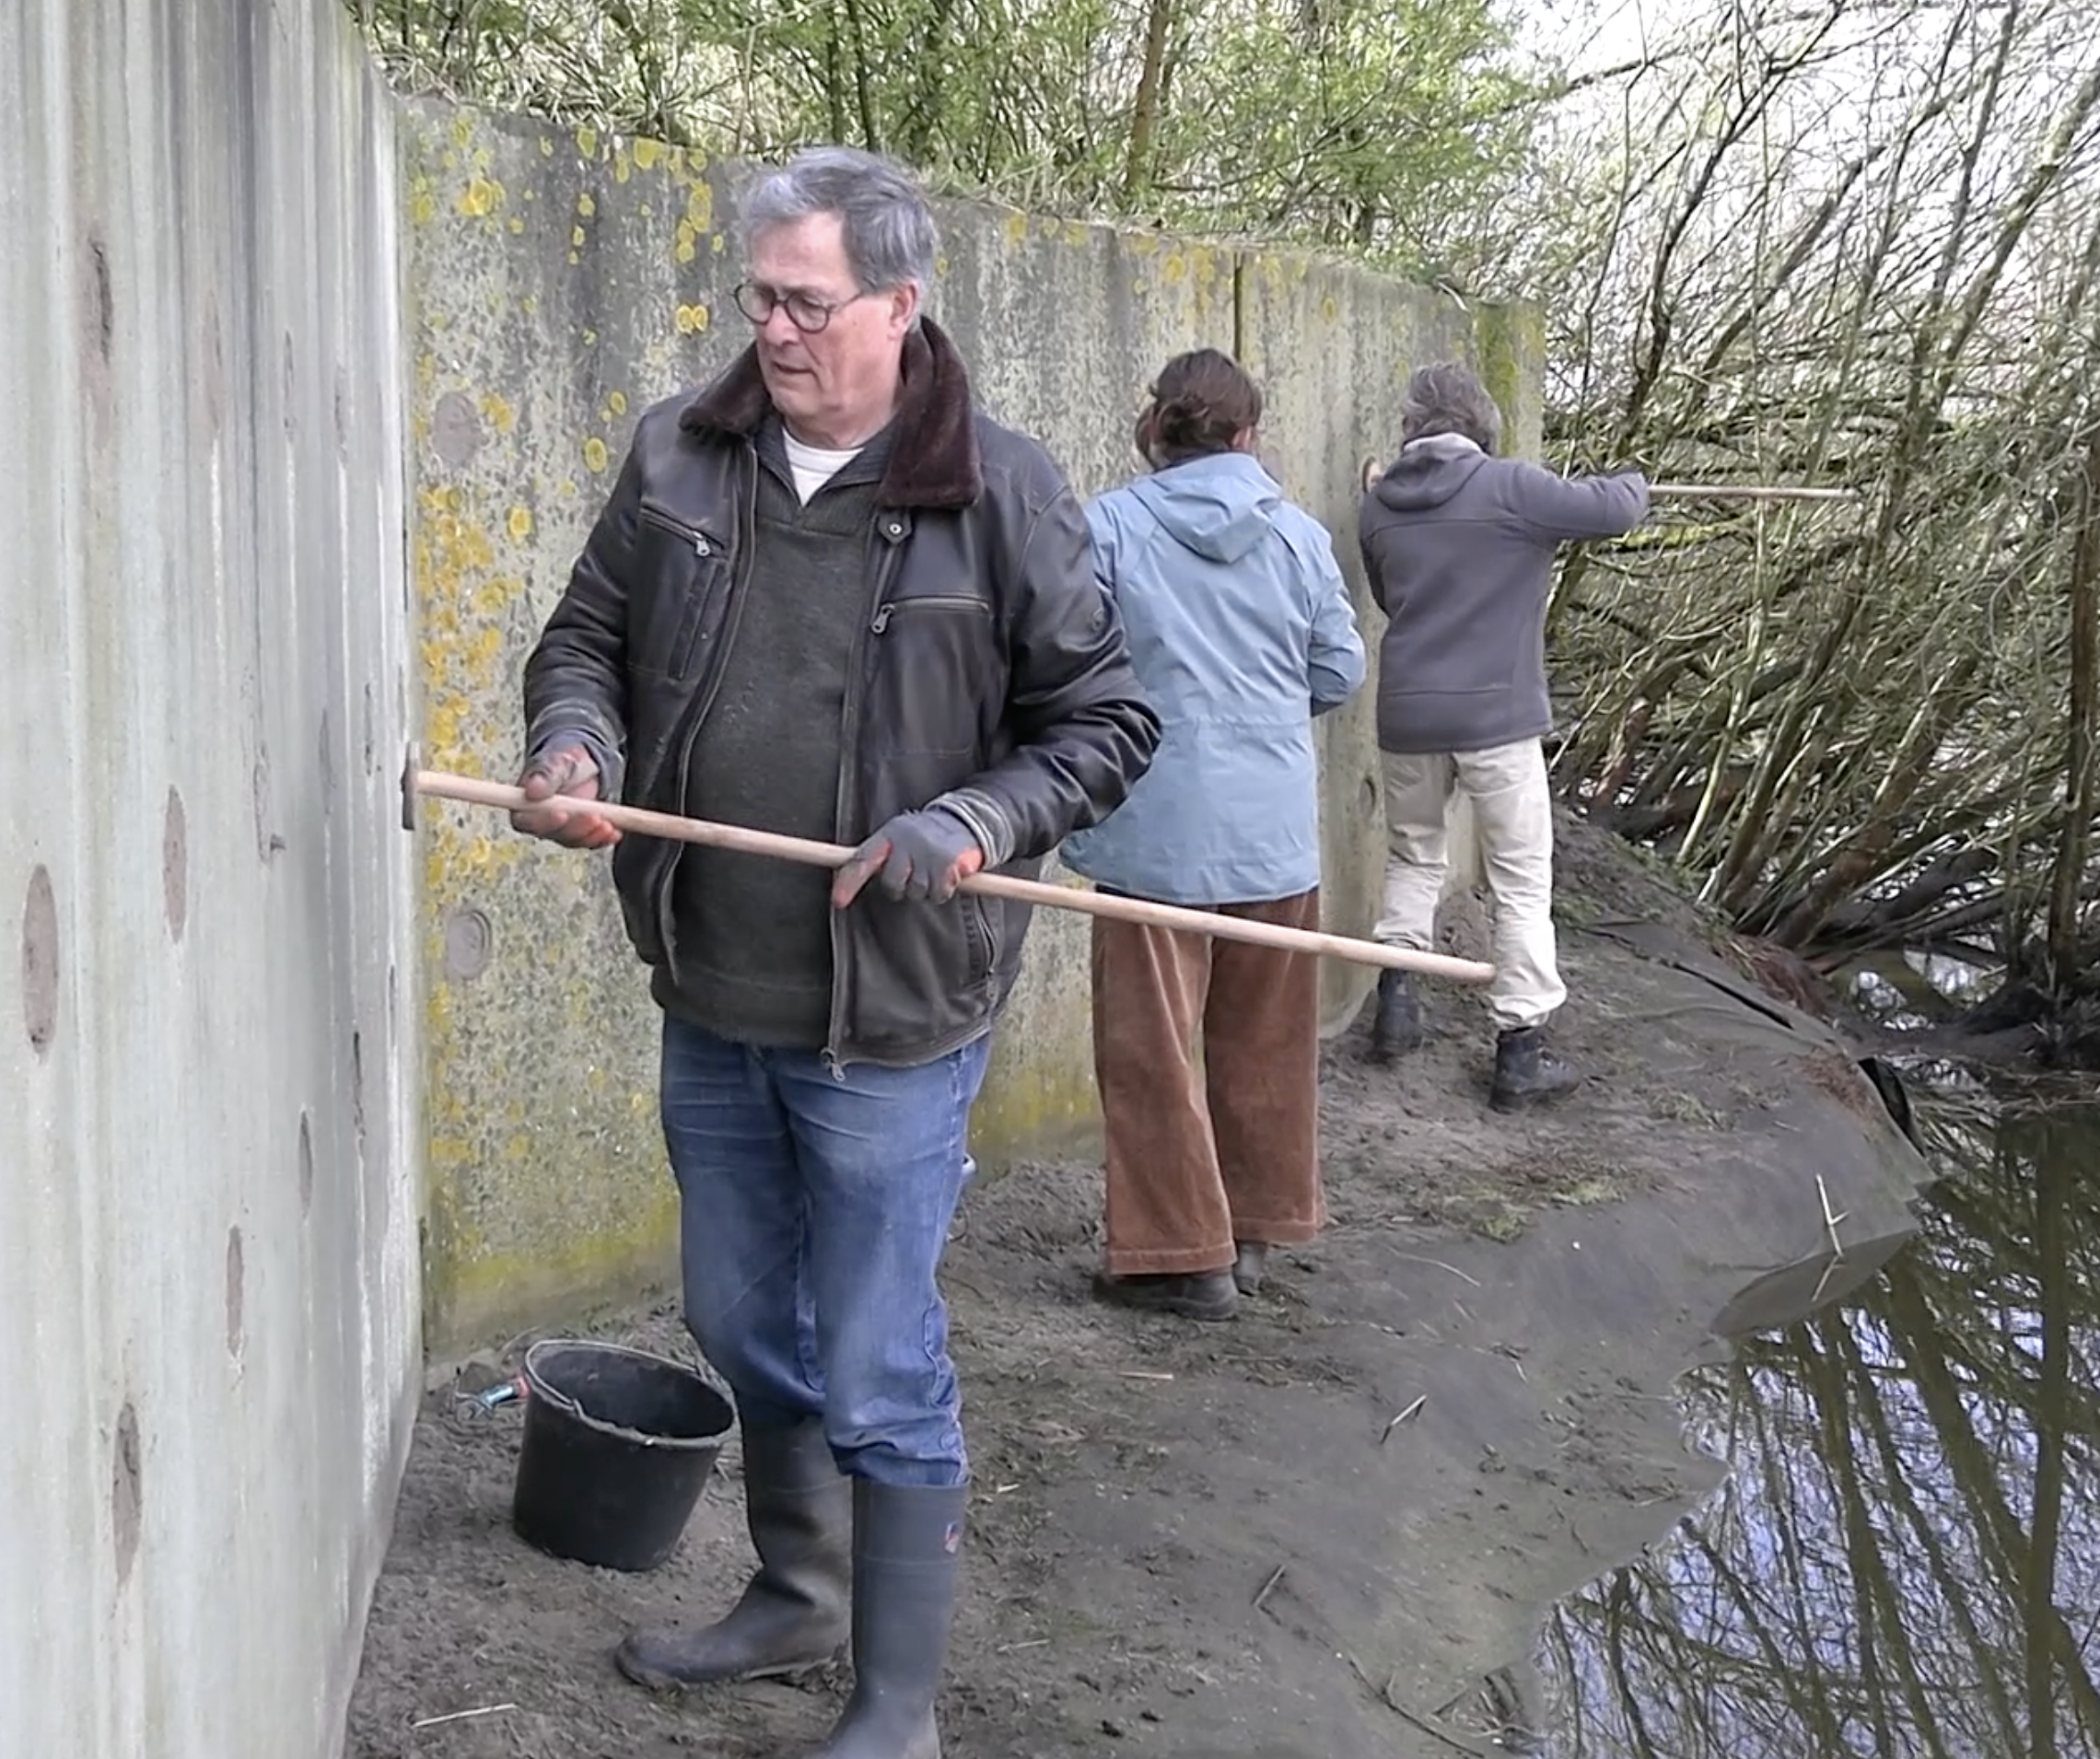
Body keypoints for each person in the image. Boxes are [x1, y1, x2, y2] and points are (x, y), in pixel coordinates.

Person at [508, 146, 1161, 1756]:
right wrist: (575, 746)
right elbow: (585, 638)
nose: (775, 330)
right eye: (761, 299)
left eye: (806, 303)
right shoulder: (681, 452)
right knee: (740, 1324)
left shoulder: (997, 490)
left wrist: (979, 818)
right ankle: (798, 1592)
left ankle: (897, 1704)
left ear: (899, 303)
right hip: (713, 987)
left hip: (894, 1020)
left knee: (876, 1359)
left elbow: (1102, 721)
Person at [1063, 349, 1366, 1322]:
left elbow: (1068, 658)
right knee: (1266, 1040)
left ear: (1155, 426)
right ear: (1247, 435)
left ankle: (1177, 1256)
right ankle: (1255, 1227)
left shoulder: (1108, 526)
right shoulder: (1301, 537)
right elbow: (1339, 669)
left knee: (1150, 1047)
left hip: (1155, 832)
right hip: (1273, 832)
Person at [1358, 361, 1649, 1111]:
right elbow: (1616, 509)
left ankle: (1396, 1001)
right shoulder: (1512, 487)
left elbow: (1389, 596)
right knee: (1519, 879)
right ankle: (1520, 1045)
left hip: (1409, 711)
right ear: (1481, 425)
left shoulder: (1377, 507)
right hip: (1497, 718)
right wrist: (1635, 476)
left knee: (1414, 854)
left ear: (1412, 428)